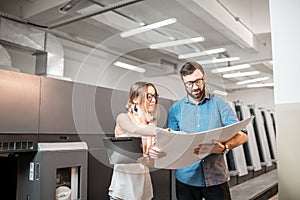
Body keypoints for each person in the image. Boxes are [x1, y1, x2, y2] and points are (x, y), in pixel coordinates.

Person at [167, 62, 248, 200]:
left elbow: (243, 135)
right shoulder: (175, 109)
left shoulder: (220, 104)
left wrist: (224, 147)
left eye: (198, 81)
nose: (194, 87)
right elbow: (172, 141)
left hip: (216, 177)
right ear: (183, 82)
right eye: (189, 83)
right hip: (186, 178)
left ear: (204, 78)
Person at [108, 81, 165, 200]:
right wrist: (167, 133)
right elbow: (134, 130)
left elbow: (150, 161)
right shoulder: (123, 118)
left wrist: (155, 155)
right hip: (123, 189)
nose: (153, 100)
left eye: (155, 96)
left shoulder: (151, 125)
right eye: (148, 96)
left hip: (143, 188)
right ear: (135, 98)